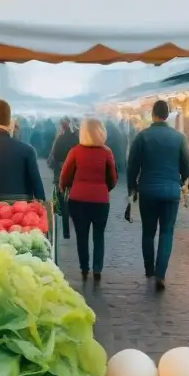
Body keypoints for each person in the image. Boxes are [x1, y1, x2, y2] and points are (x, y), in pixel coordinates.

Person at [127, 100, 189, 290]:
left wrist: (132, 187)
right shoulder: (179, 137)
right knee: (167, 232)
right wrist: (181, 178)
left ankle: (149, 269)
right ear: (167, 115)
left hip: (147, 190)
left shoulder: (142, 137)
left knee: (148, 232)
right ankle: (161, 274)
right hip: (171, 191)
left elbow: (132, 165)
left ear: (153, 114)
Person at [60, 118, 117, 283]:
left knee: (81, 236)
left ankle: (84, 268)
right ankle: (97, 269)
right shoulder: (106, 152)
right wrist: (103, 189)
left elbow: (65, 175)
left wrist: (67, 187)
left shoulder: (75, 151)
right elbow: (112, 178)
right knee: (99, 237)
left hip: (78, 200)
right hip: (100, 201)